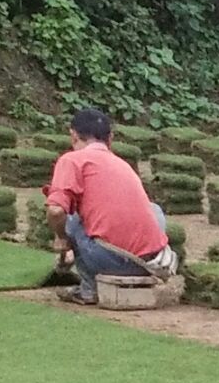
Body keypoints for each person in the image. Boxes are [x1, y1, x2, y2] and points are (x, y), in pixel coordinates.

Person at [45, 107, 176, 302]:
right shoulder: (122, 164)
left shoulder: (72, 160)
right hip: (152, 264)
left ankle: (89, 290)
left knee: (71, 216)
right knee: (153, 208)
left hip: (114, 260)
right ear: (110, 138)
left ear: (73, 136)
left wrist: (62, 239)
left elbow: (56, 211)